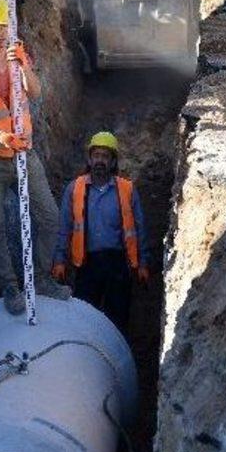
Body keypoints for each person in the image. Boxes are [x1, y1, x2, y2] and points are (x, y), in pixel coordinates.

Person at [0, 0, 71, 315]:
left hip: (23, 153)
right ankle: (9, 286)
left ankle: (39, 279)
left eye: (4, 26)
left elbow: (34, 92)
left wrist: (22, 65)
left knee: (48, 215)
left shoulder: (17, 55)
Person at [53, 131, 150, 336]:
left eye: (105, 157)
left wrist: (142, 263)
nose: (100, 161)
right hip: (86, 264)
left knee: (118, 320)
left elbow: (140, 229)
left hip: (118, 264)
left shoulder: (127, 189)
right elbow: (64, 228)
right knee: (85, 319)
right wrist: (60, 260)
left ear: (113, 161)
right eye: (96, 155)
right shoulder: (75, 189)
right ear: (89, 158)